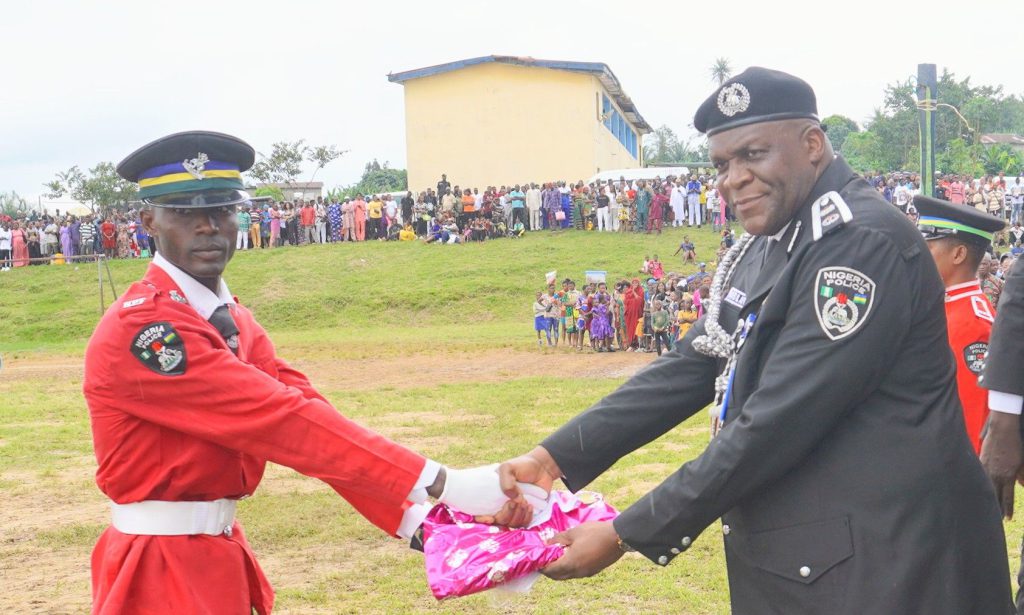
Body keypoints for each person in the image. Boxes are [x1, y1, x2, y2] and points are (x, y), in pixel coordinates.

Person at [495, 67, 1011, 614]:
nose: (732, 178)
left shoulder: (858, 246)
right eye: (722, 163)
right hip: (818, 559)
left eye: (753, 155)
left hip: (889, 564)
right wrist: (551, 460)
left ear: (812, 145)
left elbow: (779, 421)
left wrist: (627, 532)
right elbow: (690, 365)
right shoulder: (777, 237)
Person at [85, 131, 538, 614]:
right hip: (158, 571)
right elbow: (282, 420)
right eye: (185, 213)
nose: (208, 227)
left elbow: (314, 426)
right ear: (148, 220)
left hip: (217, 553)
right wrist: (446, 483)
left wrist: (435, 529)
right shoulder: (146, 329)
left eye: (221, 210)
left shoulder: (233, 320)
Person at [915, 195, 1004, 453]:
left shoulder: (973, 324)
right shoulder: (942, 306)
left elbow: (972, 418)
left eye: (928, 249)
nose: (921, 257)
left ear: (959, 254)